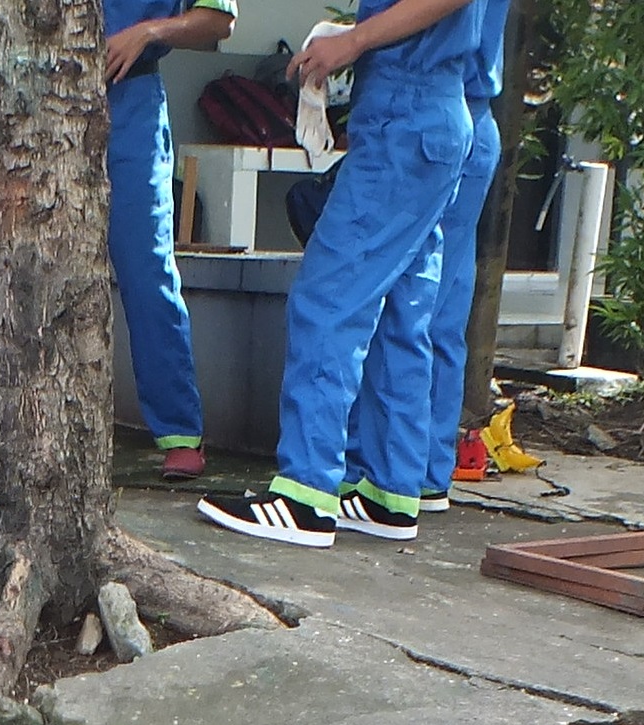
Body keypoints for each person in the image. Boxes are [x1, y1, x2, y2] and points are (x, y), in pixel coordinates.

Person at [197, 0, 480, 548]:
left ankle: (305, 493)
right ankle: (389, 493)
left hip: (405, 117)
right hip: (430, 117)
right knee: (402, 312)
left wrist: (353, 42)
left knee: (328, 298)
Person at [340, 0, 509, 526]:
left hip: (435, 102)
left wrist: (356, 40)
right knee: (434, 306)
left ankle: (393, 472)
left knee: (403, 303)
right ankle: (422, 473)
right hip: (465, 112)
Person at [102, 0, 234, 483]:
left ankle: (178, 428)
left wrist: (149, 32)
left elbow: (219, 22)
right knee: (28, 272)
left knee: (146, 271)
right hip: (38, 108)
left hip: (129, 103)